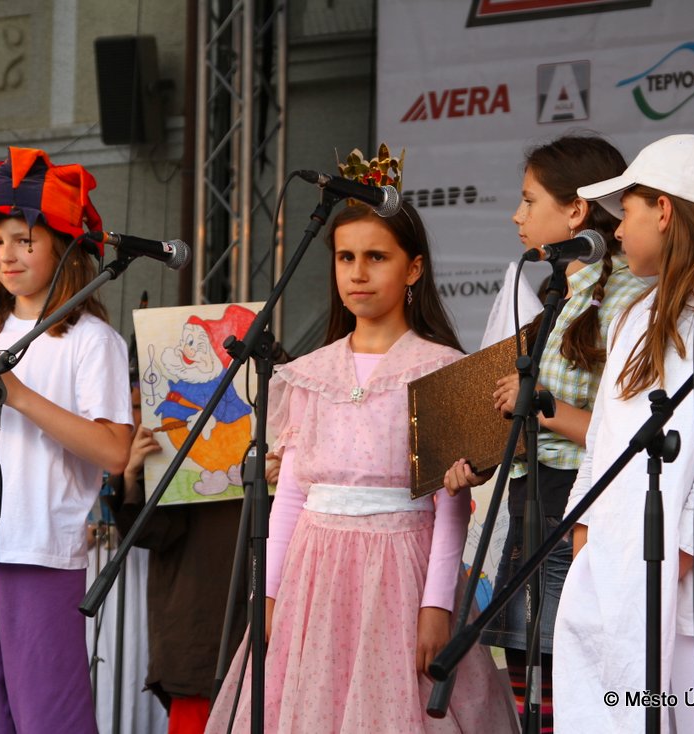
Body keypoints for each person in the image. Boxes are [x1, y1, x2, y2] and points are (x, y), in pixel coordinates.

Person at [205, 172, 518, 732]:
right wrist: (267, 592)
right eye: (345, 257)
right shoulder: (309, 373)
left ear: (413, 269)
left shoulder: (440, 368)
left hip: (401, 572)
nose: (357, 273)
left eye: (376, 257)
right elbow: (291, 498)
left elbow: (450, 506)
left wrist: (437, 604)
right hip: (313, 576)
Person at [552, 134, 694, 733]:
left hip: (690, 598)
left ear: (664, 210)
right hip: (614, 579)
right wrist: (586, 540)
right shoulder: (634, 315)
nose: (618, 230)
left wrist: (658, 569)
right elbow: (604, 443)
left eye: (626, 211)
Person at [0, 147, 132, 732]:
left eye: (23, 240)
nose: (6, 254)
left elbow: (115, 451)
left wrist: (17, 394)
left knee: (48, 715)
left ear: (62, 247)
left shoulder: (91, 340)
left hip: (38, 544)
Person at [442, 133, 647, 732]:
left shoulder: (631, 297)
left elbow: (632, 430)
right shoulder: (557, 294)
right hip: (529, 500)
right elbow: (530, 418)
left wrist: (542, 406)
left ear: (576, 211)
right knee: (527, 678)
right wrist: (480, 455)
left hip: (578, 505)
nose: (517, 215)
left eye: (530, 201)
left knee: (568, 682)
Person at [104, 368, 249, 733]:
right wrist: (132, 477)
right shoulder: (173, 456)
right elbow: (152, 534)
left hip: (259, 620)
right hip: (195, 623)